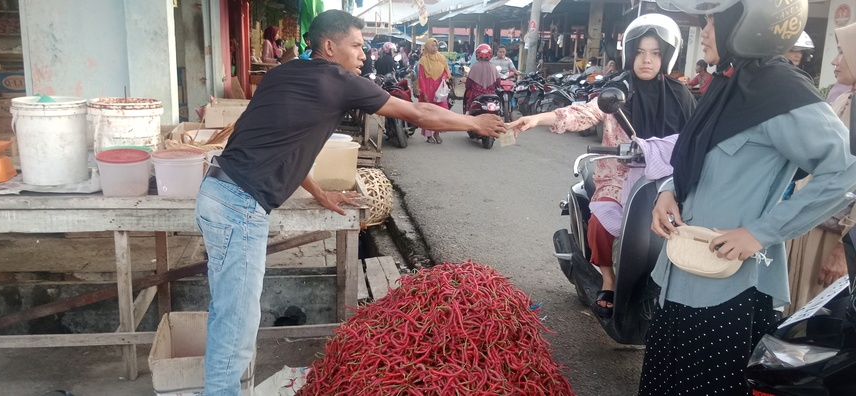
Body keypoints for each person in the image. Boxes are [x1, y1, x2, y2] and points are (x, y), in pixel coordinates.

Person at [197, 10, 505, 394]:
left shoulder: (280, 74)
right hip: (238, 207)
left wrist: (321, 193)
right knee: (237, 322)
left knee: (230, 311)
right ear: (329, 46)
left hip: (217, 194)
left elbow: (286, 146)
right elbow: (418, 112)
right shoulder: (339, 81)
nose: (363, 54)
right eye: (357, 46)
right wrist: (474, 123)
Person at [645, 1, 856, 394]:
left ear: (746, 24)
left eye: (712, 21)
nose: (705, 32)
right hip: (681, 267)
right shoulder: (727, 81)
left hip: (728, 287)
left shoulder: (780, 89)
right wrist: (667, 190)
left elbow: (845, 168)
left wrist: (760, 232)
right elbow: (693, 157)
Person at [509, 14, 696, 316]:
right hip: (619, 177)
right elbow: (582, 112)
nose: (646, 60)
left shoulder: (681, 95)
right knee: (600, 224)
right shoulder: (616, 90)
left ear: (667, 56)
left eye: (655, 53)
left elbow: (697, 137)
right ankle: (608, 279)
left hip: (667, 182)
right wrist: (538, 119)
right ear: (630, 53)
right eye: (640, 52)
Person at [783, 21, 856, 316]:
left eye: (843, 52)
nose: (834, 61)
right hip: (810, 223)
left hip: (837, 239)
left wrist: (845, 249)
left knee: (815, 324)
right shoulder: (842, 98)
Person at [417, 38, 451, 144]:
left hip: (439, 89)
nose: (434, 48)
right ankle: (428, 135)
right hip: (428, 88)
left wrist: (444, 77)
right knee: (428, 113)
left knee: (440, 112)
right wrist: (424, 92)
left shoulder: (441, 58)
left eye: (436, 46)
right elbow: (421, 77)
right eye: (432, 46)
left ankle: (437, 132)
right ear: (427, 47)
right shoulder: (423, 60)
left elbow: (447, 72)